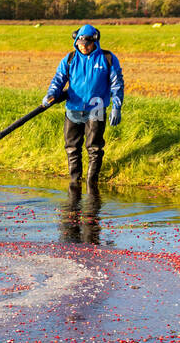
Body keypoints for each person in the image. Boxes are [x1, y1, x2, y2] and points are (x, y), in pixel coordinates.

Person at [43, 24, 124, 207]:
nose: (83, 48)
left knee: (94, 148)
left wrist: (116, 107)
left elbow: (117, 83)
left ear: (94, 42)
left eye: (87, 45)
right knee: (72, 148)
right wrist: (51, 94)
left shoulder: (107, 58)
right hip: (73, 108)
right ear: (76, 42)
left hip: (96, 108)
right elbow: (59, 79)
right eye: (80, 44)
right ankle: (74, 184)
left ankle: (91, 185)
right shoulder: (70, 59)